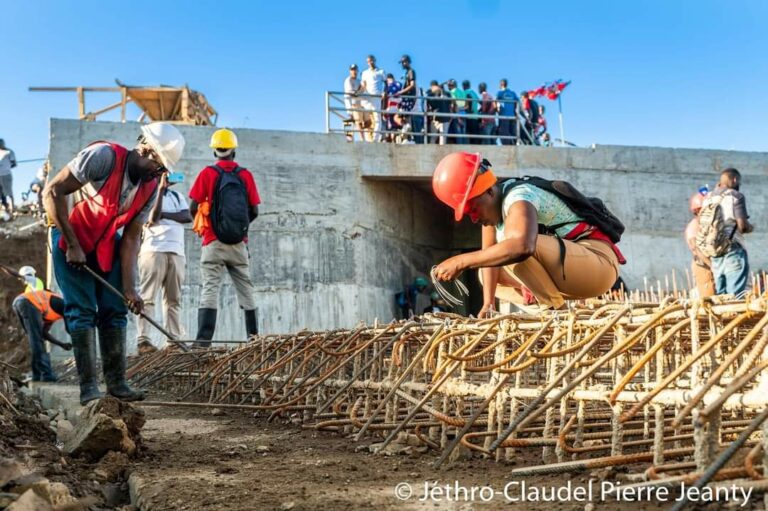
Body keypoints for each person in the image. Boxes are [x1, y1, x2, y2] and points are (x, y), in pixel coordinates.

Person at [43, 122, 184, 405]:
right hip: (69, 235)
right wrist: (72, 245)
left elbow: (131, 239)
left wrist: (131, 289)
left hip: (105, 242)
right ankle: (88, 389)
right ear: (145, 149)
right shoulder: (103, 157)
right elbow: (52, 192)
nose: (159, 174)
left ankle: (117, 383)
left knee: (115, 309)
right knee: (82, 310)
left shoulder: (150, 186)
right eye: (158, 166)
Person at [431, 152, 625, 314]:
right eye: (467, 214)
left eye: (473, 209)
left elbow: (521, 247)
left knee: (514, 248)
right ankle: (547, 309)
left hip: (598, 264)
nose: (473, 218)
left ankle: (556, 313)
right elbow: (489, 260)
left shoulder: (519, 198)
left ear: (489, 192)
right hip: (568, 275)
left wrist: (461, 261)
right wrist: (488, 304)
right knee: (487, 272)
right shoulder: (491, 215)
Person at [189, 129, 260, 348]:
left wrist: (210, 226)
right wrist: (239, 230)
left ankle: (202, 342)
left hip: (213, 242)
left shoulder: (207, 173)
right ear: (233, 151)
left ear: (215, 151)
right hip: (239, 244)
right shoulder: (245, 175)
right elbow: (254, 210)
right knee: (246, 289)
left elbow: (193, 206)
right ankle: (254, 339)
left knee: (210, 288)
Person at [137, 172, 192, 353]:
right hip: (153, 251)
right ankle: (144, 340)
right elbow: (152, 218)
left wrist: (164, 214)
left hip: (176, 252)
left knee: (173, 299)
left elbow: (187, 216)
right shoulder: (145, 194)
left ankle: (174, 341)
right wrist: (159, 190)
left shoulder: (177, 196)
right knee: (148, 298)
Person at [12, 267, 69, 382]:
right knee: (36, 340)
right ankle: (46, 375)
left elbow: (44, 333)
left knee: (35, 339)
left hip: (21, 303)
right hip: (28, 304)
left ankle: (37, 375)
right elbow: (70, 329)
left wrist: (61, 344)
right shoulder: (64, 305)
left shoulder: (51, 313)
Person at [702, 168, 753, 297]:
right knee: (735, 294)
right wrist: (750, 227)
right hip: (732, 248)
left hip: (715, 249)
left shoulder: (708, 198)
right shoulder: (735, 196)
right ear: (735, 180)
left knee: (721, 295)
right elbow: (742, 226)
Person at [685, 191, 715, 298]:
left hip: (713, 264)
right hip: (704, 266)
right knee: (709, 298)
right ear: (698, 210)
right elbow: (696, 250)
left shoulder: (708, 225)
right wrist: (712, 266)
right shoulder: (694, 226)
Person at [360, 55, 386, 142]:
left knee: (377, 118)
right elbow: (363, 86)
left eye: (371, 61)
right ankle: (368, 138)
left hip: (377, 97)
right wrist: (357, 93)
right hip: (367, 98)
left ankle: (375, 139)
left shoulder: (381, 71)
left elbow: (386, 83)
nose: (370, 63)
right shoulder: (364, 73)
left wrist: (384, 92)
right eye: (368, 61)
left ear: (374, 60)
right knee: (367, 119)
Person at [396, 55, 422, 142]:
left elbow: (412, 85)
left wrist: (400, 92)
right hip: (406, 98)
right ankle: (406, 135)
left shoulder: (411, 71)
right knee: (403, 117)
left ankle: (407, 135)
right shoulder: (406, 73)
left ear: (407, 62)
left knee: (408, 118)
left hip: (410, 99)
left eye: (404, 62)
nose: (403, 64)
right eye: (402, 62)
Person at [343, 64, 368, 142]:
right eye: (352, 70)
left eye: (355, 70)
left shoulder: (359, 81)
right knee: (351, 119)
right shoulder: (348, 80)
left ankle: (362, 138)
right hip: (350, 103)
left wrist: (362, 88)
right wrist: (361, 89)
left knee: (361, 121)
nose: (354, 71)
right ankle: (349, 137)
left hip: (358, 103)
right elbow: (353, 93)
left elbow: (362, 92)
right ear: (350, 71)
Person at [426, 81, 451, 145]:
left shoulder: (432, 94)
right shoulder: (447, 94)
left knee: (436, 138)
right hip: (440, 119)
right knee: (440, 138)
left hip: (439, 118)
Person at [496, 80, 518, 145]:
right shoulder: (512, 93)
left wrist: (497, 110)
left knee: (504, 133)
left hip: (504, 116)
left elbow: (496, 102)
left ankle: (508, 147)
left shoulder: (500, 93)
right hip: (512, 116)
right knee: (512, 133)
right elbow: (517, 103)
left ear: (501, 84)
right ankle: (514, 146)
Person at [446, 79, 467, 144]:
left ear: (450, 85)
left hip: (456, 115)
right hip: (463, 114)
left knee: (458, 134)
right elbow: (466, 105)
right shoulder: (462, 92)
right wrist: (461, 109)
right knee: (463, 134)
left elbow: (453, 104)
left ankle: (460, 149)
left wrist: (456, 115)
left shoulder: (451, 92)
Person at [0, 139, 17, 214]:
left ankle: (12, 208)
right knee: (1, 194)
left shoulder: (9, 152)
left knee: (9, 192)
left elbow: (14, 163)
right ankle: (4, 209)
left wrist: (6, 167)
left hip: (6, 175)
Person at [384, 74, 403, 141]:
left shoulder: (388, 86)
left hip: (390, 108)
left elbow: (384, 98)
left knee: (391, 126)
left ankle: (392, 140)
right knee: (396, 125)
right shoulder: (400, 84)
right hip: (399, 108)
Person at [462, 81, 481, 145]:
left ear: (464, 86)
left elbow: (467, 100)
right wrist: (478, 111)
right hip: (475, 116)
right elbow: (480, 102)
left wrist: (469, 110)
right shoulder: (474, 92)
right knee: (475, 135)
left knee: (468, 135)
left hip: (469, 116)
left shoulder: (465, 92)